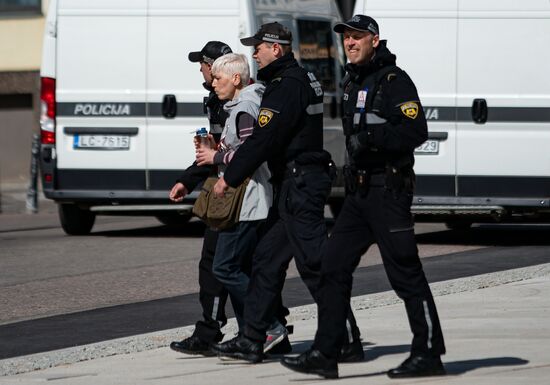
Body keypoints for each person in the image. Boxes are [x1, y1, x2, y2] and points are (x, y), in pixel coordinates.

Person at [280, 15, 446, 379]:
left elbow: (416, 130)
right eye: (346, 38)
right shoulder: (355, 81)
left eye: (357, 37)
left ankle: (429, 351)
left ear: (375, 40)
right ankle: (328, 352)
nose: (350, 43)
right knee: (332, 267)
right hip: (358, 194)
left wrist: (371, 140)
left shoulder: (393, 81)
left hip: (388, 191)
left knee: (405, 273)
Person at [210, 22, 362, 364]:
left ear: (276, 49)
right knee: (266, 259)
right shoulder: (296, 79)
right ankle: (253, 338)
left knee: (314, 265)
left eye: (258, 48)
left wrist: (229, 177)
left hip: (302, 184)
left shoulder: (285, 86)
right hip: (294, 183)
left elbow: (264, 140)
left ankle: (347, 338)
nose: (254, 54)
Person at [194, 53, 288, 352]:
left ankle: (269, 325)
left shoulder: (246, 107)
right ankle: (254, 332)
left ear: (236, 79)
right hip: (244, 199)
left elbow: (253, 152)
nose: (214, 84)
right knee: (238, 267)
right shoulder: (241, 105)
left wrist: (217, 157)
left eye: (218, 79)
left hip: (246, 201)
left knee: (225, 268)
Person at [168, 41, 233, 356]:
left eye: (203, 64)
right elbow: (214, 153)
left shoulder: (235, 99)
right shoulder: (217, 99)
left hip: (235, 191)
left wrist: (214, 159)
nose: (200, 69)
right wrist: (186, 180)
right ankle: (217, 329)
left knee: (223, 265)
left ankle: (259, 329)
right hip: (222, 187)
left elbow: (234, 150)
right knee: (219, 264)